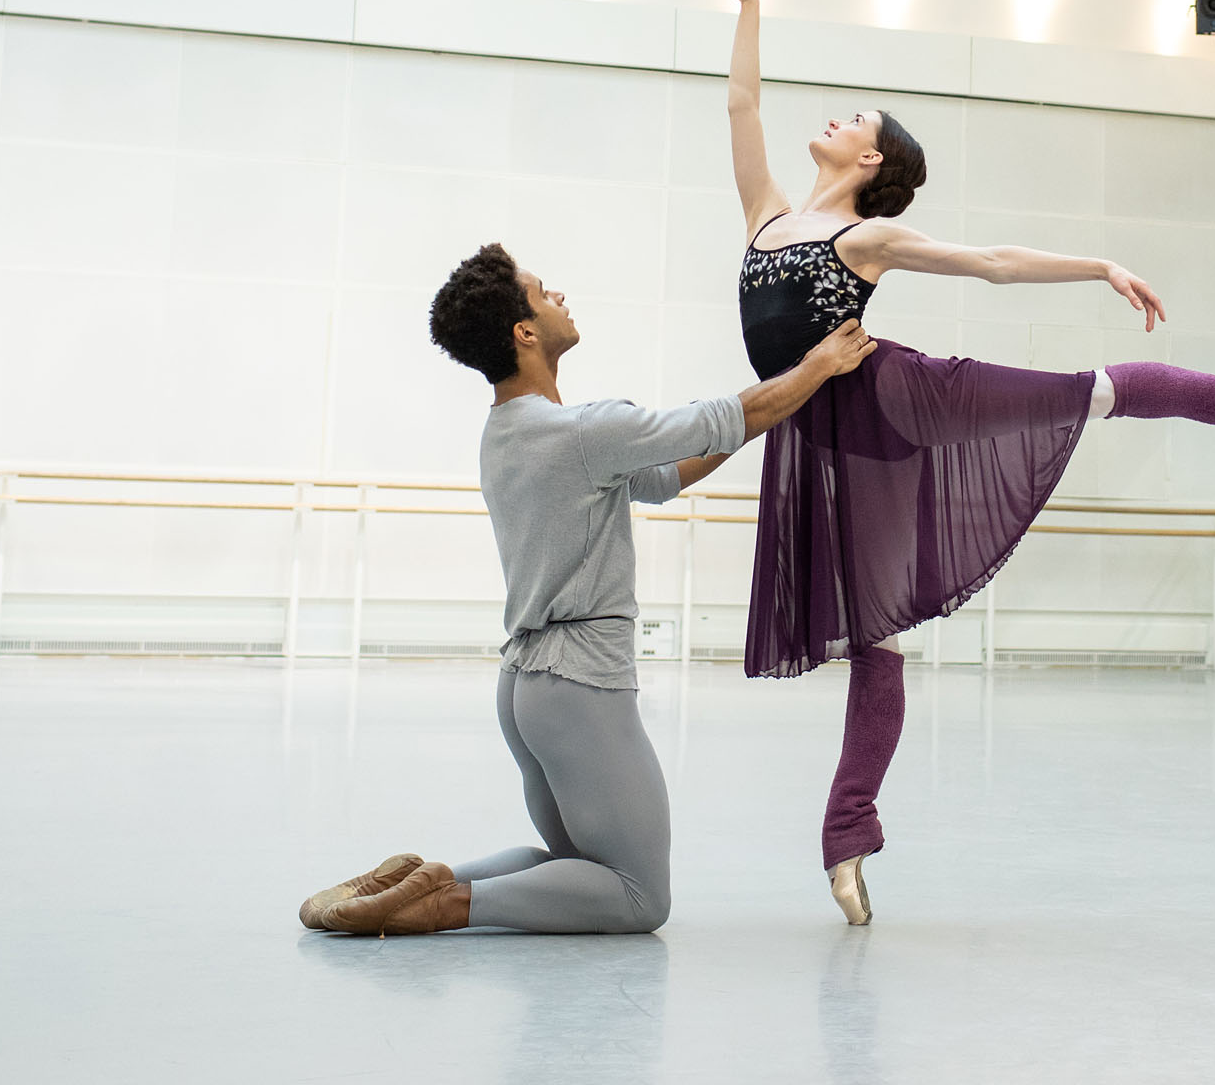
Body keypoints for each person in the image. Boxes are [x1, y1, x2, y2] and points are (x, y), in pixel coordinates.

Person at [694, 0, 1215, 926]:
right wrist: (750, 6)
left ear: (868, 157)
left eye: (851, 120)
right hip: (812, 432)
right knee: (873, 640)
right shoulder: (766, 215)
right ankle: (848, 840)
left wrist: (1097, 264)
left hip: (893, 394)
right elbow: (742, 106)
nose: (827, 121)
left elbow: (994, 261)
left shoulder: (864, 237)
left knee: (1094, 389)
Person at [296, 243, 875, 936]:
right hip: (579, 686)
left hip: (525, 687)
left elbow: (665, 474)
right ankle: (447, 904)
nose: (559, 297)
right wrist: (816, 368)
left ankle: (426, 881)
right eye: (544, 292)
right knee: (637, 896)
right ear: (524, 332)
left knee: (571, 862)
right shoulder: (580, 432)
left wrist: (785, 400)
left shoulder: (508, 433)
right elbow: (714, 418)